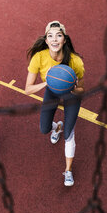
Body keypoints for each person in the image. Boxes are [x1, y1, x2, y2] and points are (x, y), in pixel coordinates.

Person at [25, 21, 85, 186]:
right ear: (46, 40)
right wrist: (47, 83)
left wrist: (74, 88)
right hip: (51, 89)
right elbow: (27, 89)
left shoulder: (75, 61)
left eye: (59, 35)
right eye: (50, 36)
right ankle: (56, 127)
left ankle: (68, 171)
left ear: (64, 39)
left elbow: (82, 90)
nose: (54, 39)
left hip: (71, 94)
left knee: (68, 134)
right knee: (44, 128)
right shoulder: (39, 57)